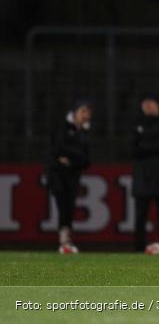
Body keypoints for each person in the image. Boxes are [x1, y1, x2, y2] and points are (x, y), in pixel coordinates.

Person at [46, 98, 92, 254]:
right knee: (63, 206)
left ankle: (66, 240)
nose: (86, 115)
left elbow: (87, 160)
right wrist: (77, 156)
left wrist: (71, 159)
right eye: (83, 111)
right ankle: (64, 240)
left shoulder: (84, 132)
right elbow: (57, 149)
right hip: (58, 175)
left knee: (69, 207)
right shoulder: (63, 128)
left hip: (73, 175)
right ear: (75, 112)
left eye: (87, 111)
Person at [131, 94, 159, 253]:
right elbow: (133, 148)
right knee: (140, 216)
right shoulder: (136, 124)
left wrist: (145, 145)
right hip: (142, 177)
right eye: (145, 103)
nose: (148, 106)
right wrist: (152, 146)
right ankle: (138, 248)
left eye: (151, 103)